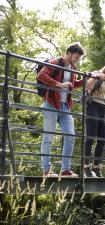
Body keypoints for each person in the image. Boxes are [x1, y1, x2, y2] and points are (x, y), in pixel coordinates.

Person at [38, 42, 84, 177]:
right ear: (69, 53)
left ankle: (65, 170)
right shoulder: (56, 62)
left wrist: (89, 78)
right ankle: (46, 170)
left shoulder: (73, 68)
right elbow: (41, 75)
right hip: (51, 104)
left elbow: (72, 85)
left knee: (70, 137)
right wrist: (59, 84)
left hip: (65, 107)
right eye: (76, 57)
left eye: (78, 58)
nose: (77, 60)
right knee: (48, 138)